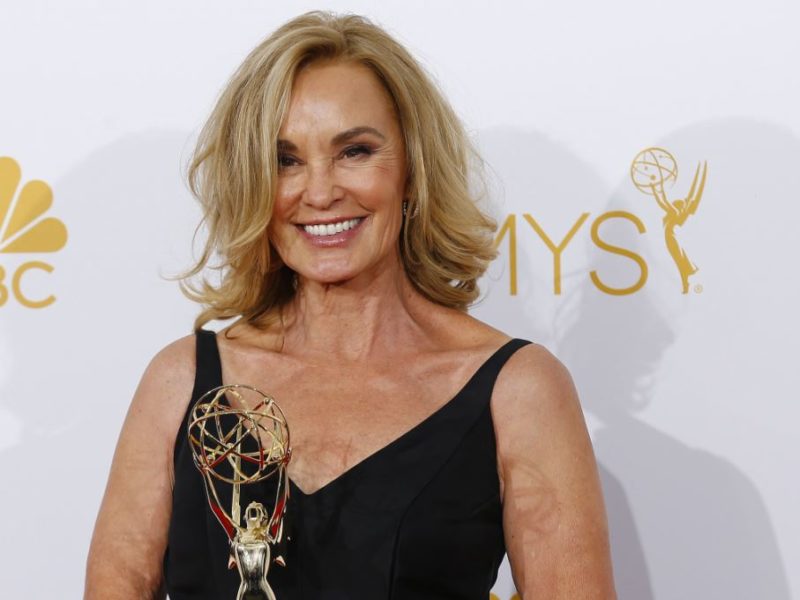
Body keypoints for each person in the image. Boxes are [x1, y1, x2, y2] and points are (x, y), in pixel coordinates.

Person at [85, 11, 616, 600]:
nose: (319, 192)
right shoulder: (180, 381)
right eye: (285, 160)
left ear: (412, 167)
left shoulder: (517, 391)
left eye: (354, 151)